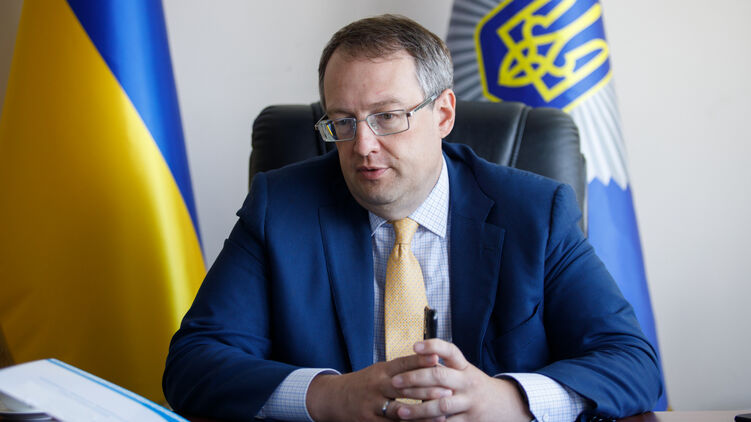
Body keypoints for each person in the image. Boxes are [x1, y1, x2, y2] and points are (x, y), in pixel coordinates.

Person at [163, 14, 662, 421]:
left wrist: (508, 400)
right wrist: (331, 397)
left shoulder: (535, 211)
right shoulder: (281, 207)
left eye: (387, 116)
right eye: (343, 121)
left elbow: (632, 363)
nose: (362, 145)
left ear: (442, 115)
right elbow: (193, 363)